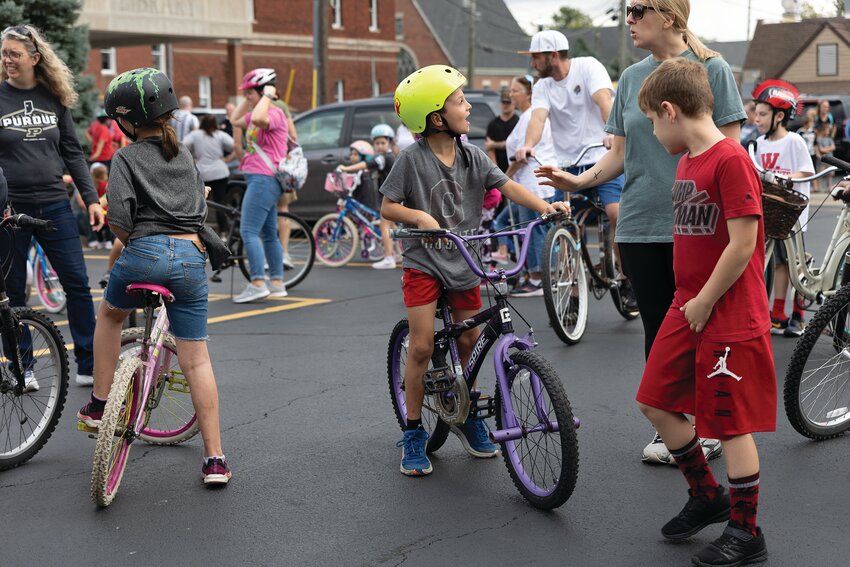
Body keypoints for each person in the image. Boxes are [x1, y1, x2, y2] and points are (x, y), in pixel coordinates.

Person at [535, 0, 745, 465]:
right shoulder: (630, 78)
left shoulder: (713, 68)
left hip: (699, 222)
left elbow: (729, 149)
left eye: (637, 11)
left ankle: (709, 425)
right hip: (640, 221)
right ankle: (676, 428)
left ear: (668, 15)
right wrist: (579, 180)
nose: (628, 19)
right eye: (627, 12)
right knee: (659, 330)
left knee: (705, 325)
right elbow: (619, 155)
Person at [379, 64, 568, 476]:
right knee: (423, 346)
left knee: (470, 341)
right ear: (436, 117)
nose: (467, 107)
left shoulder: (473, 155)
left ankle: (466, 414)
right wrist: (419, 218)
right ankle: (413, 432)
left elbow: (507, 185)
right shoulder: (411, 160)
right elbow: (388, 206)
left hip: (465, 260)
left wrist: (545, 205)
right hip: (425, 263)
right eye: (460, 101)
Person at [635, 57, 773, 567]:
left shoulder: (729, 159)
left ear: (670, 111)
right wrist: (691, 300)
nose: (651, 129)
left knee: (730, 423)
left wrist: (706, 300)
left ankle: (747, 532)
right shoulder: (687, 162)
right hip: (687, 304)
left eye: (652, 119)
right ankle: (704, 495)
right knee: (654, 400)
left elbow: (743, 244)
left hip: (724, 310)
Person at [76, 67, 231, 486]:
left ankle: (98, 403)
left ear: (126, 120)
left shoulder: (124, 157)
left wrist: (133, 240)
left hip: (142, 255)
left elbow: (121, 221)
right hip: (189, 258)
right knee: (196, 358)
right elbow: (198, 210)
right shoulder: (184, 155)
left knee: (109, 316)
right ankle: (215, 459)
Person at [0, 24, 105, 387]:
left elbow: (73, 153)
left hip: (55, 205)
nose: (7, 59)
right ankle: (21, 366)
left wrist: (90, 198)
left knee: (76, 282)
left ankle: (88, 363)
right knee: (12, 291)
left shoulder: (53, 98)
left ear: (34, 57)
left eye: (15, 53)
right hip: (10, 209)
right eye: (4, 53)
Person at [515, 30, 625, 255]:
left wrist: (613, 132)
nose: (532, 63)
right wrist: (528, 144)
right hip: (568, 165)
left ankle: (625, 273)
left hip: (601, 159)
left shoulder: (587, 67)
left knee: (616, 214)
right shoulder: (542, 86)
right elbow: (537, 118)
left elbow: (604, 100)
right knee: (562, 221)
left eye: (536, 57)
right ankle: (573, 285)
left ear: (553, 55)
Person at [751, 79, 814, 339]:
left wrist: (785, 178)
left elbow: (807, 171)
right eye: (756, 113)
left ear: (779, 116)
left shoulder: (794, 141)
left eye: (763, 114)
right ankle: (777, 313)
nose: (756, 118)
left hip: (792, 213)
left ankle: (797, 314)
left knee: (793, 263)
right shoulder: (759, 144)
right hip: (771, 210)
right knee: (777, 263)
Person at [230, 68, 288, 303]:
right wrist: (251, 98)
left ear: (263, 91)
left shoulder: (274, 114)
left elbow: (258, 119)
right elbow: (235, 120)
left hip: (264, 178)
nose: (247, 97)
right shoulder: (258, 110)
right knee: (267, 233)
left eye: (250, 93)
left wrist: (267, 95)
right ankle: (276, 282)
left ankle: (257, 282)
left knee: (248, 231)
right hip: (261, 178)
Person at [503, 75, 558, 296]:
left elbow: (522, 156)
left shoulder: (531, 117)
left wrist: (504, 178)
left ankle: (538, 278)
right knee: (532, 229)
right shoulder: (527, 116)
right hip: (529, 182)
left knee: (535, 231)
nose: (511, 95)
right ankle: (535, 274)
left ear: (528, 93)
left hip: (533, 183)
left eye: (515, 90)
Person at [339, 124, 399, 269]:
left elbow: (365, 164)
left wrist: (346, 168)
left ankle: (388, 258)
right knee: (392, 227)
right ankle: (397, 253)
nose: (379, 146)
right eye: (377, 143)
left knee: (385, 226)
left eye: (383, 143)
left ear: (389, 142)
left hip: (389, 196)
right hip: (395, 194)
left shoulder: (383, 158)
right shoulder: (391, 156)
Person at [183, 114, 234, 235]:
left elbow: (182, 145)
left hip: (202, 173)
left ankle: (197, 230)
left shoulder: (196, 135)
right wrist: (227, 159)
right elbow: (234, 146)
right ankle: (224, 231)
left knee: (199, 203)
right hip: (220, 171)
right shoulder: (220, 135)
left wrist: (193, 160)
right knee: (220, 202)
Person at [484, 88, 518, 172]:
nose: (505, 105)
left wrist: (494, 144)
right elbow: (489, 148)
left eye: (508, 102)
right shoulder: (493, 124)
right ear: (500, 103)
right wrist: (496, 170)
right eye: (503, 102)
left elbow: (515, 145)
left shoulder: (518, 122)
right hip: (499, 169)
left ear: (513, 103)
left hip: (515, 168)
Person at [815, 121, 836, 192]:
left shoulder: (829, 139)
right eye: (827, 130)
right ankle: (819, 187)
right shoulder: (819, 139)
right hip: (822, 160)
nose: (828, 132)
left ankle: (830, 187)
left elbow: (833, 147)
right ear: (823, 130)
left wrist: (825, 149)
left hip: (830, 159)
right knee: (820, 173)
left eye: (829, 131)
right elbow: (820, 149)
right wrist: (828, 149)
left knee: (830, 174)